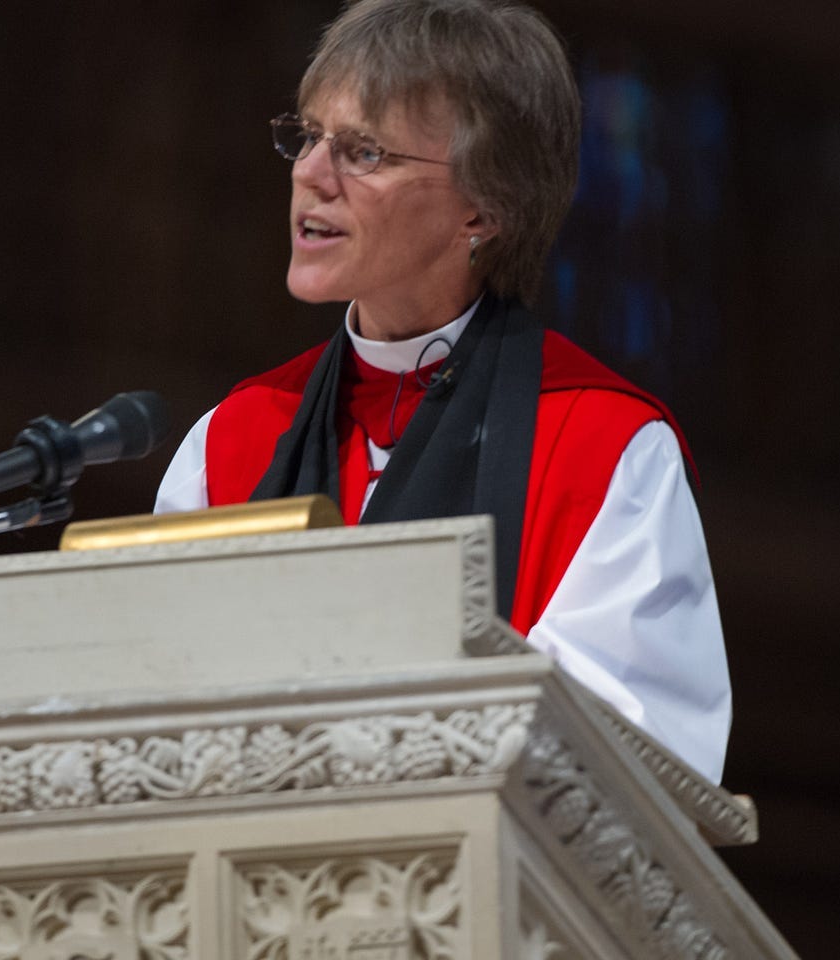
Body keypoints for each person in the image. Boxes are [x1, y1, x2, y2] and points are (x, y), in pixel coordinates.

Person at [153, 0, 731, 783]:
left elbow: (638, 766)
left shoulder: (603, 451)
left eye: (363, 152)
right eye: (307, 136)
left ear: (485, 208)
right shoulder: (232, 440)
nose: (311, 174)